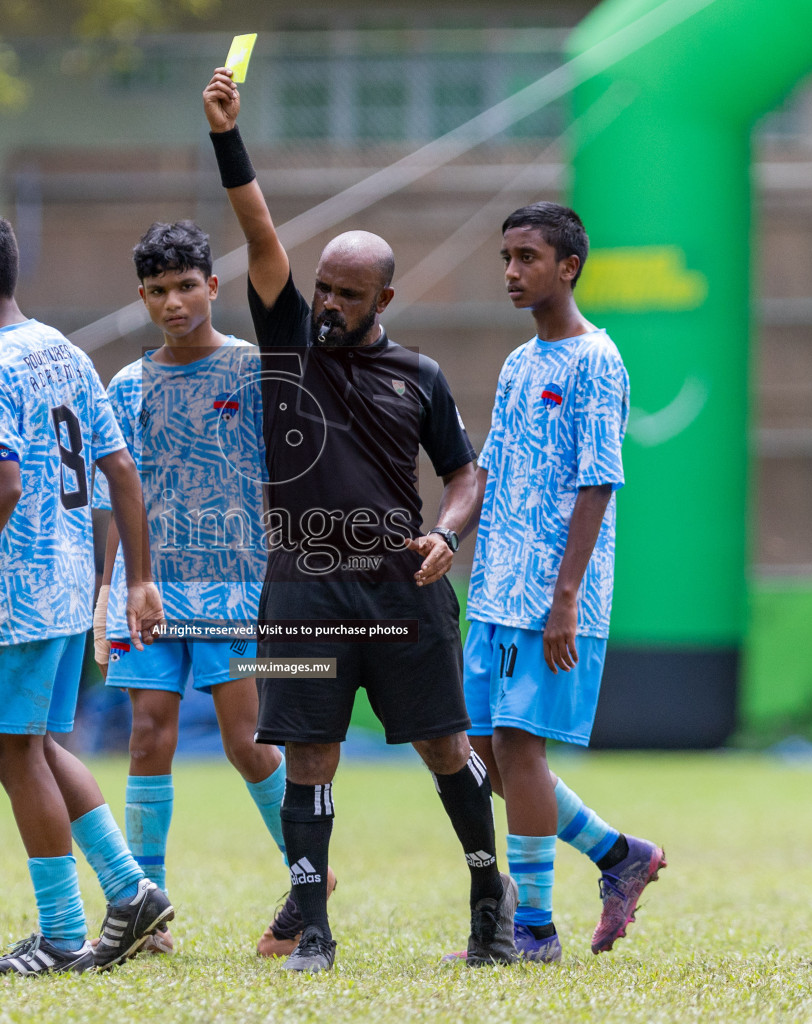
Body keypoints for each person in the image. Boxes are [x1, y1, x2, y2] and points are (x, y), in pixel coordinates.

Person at [202, 68, 512, 972]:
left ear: (384, 299)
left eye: (346, 292)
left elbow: (463, 476)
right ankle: (315, 926)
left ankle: (489, 897)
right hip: (299, 583)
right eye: (323, 287)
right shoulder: (290, 347)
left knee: (446, 748)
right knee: (309, 757)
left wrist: (446, 534)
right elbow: (259, 231)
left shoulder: (418, 376)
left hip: (402, 587)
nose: (327, 303)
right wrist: (228, 135)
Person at [0, 211, 171, 976]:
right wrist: (135, 578)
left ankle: (61, 934)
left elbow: (2, 485)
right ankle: (131, 891)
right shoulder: (66, 351)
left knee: (10, 751)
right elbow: (122, 473)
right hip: (70, 584)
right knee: (39, 745)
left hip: (20, 590)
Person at [448, 203, 664, 964]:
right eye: (507, 257)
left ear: (567, 267)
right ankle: (617, 854)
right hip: (496, 593)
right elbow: (487, 471)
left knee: (518, 749)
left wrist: (565, 597)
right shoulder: (518, 364)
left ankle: (532, 930)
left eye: (527, 258)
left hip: (551, 597)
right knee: (482, 750)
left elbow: (599, 482)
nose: (512, 272)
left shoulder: (598, 360)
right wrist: (447, 538)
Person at [90, 220, 294, 956]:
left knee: (245, 741)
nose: (173, 302)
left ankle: (307, 877)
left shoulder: (253, 372)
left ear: (212, 286)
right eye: (157, 291)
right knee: (149, 737)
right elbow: (121, 499)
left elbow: (289, 484)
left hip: (233, 590)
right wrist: (108, 591)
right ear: (142, 298)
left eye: (185, 287)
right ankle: (149, 913)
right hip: (149, 594)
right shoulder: (128, 385)